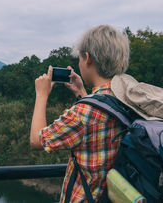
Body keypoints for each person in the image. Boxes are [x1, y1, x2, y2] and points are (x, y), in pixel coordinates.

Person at [29, 25, 130, 202]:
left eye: (80, 58)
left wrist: (41, 94)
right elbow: (100, 120)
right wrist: (81, 93)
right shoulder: (128, 95)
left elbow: (37, 141)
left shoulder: (83, 113)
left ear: (88, 59)